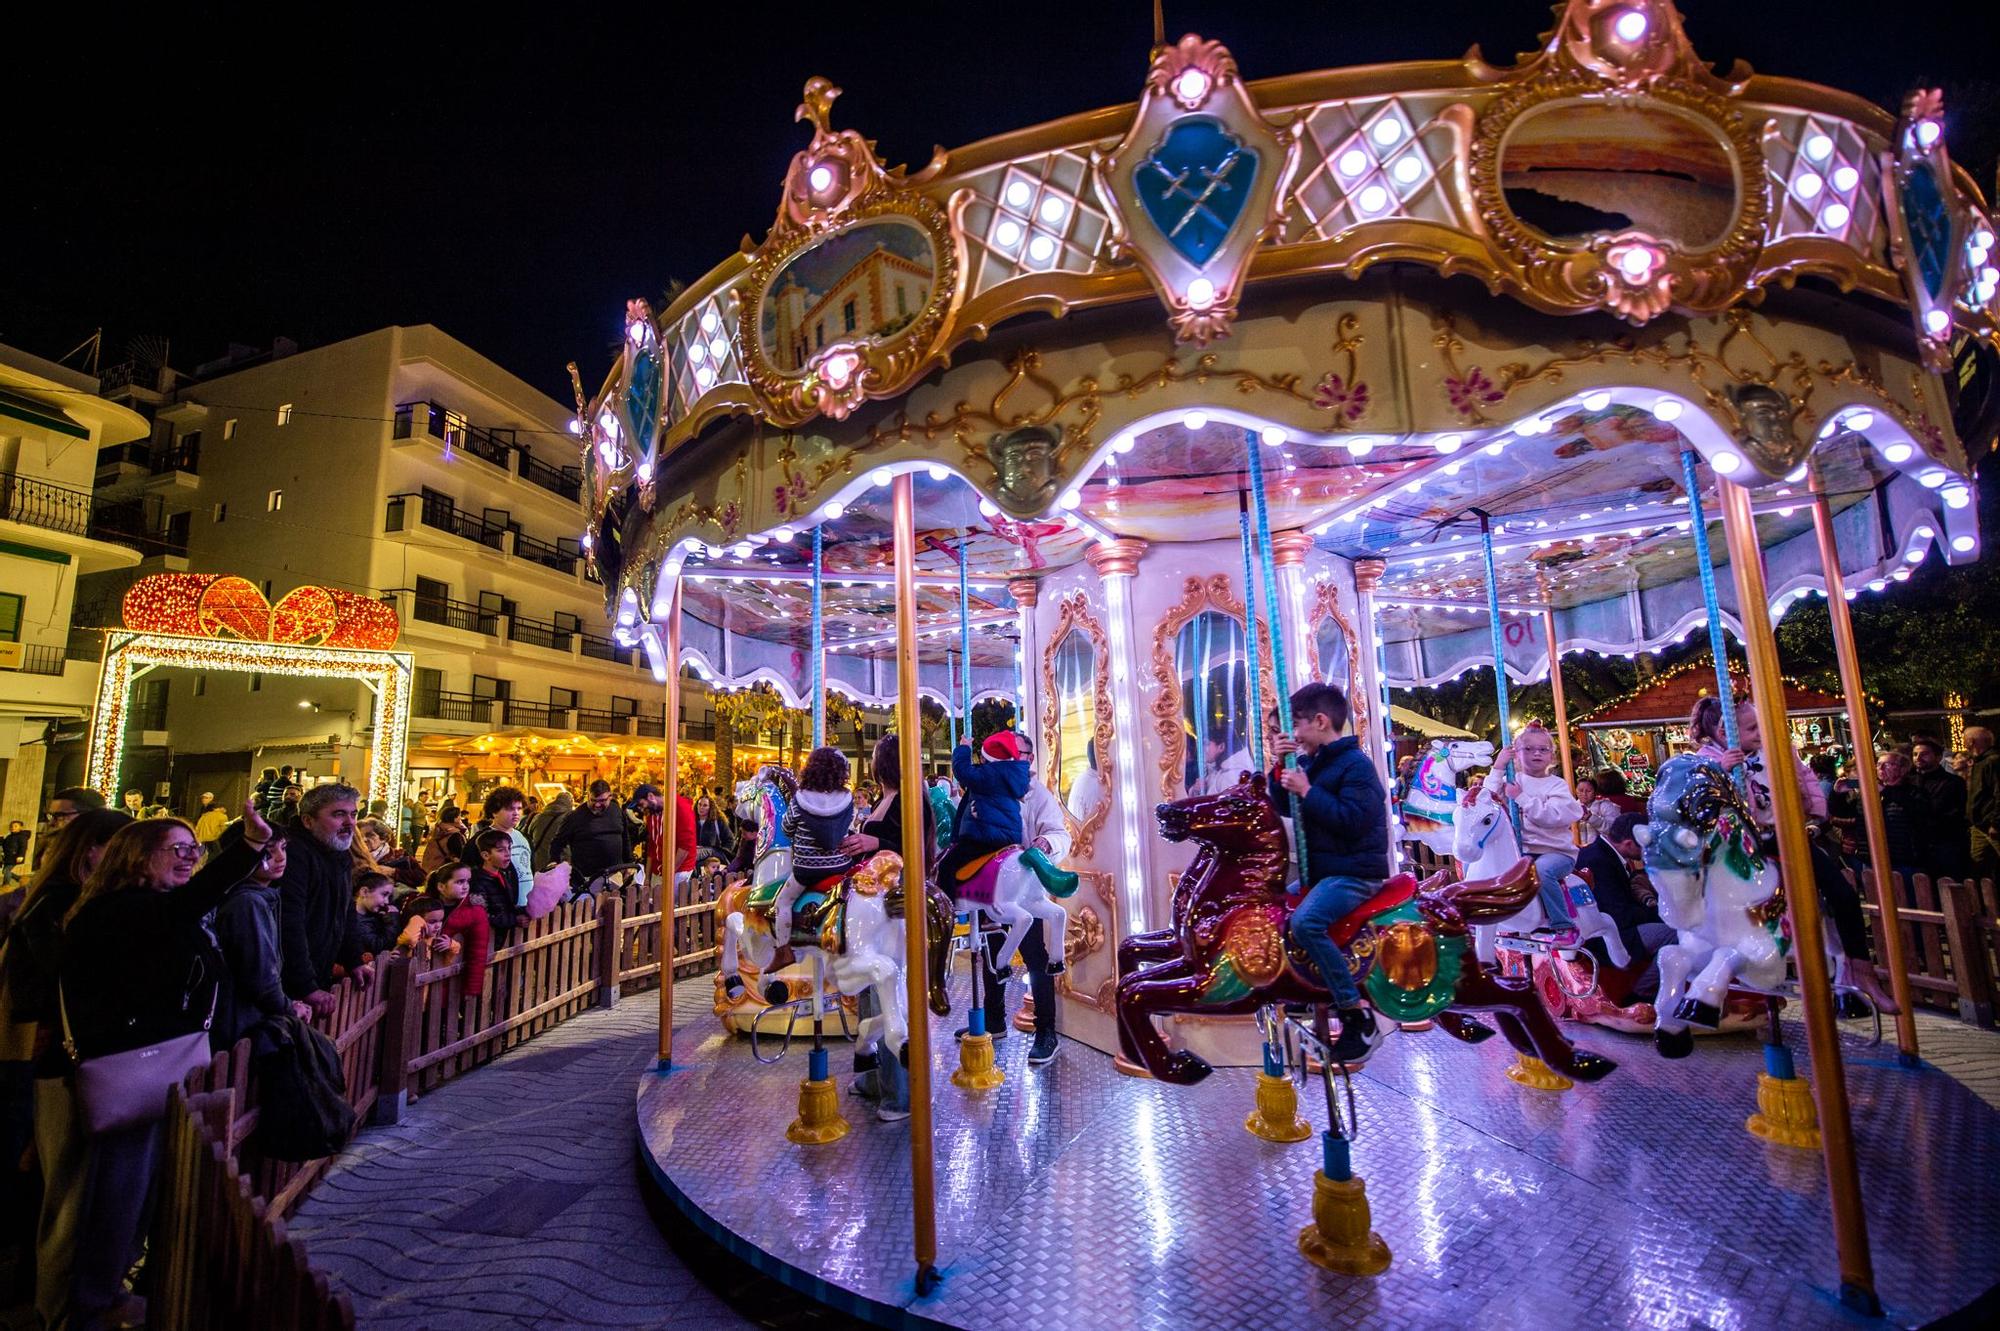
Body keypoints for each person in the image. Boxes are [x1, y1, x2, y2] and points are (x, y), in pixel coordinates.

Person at [42, 803, 269, 1330]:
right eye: (178, 849)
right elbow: (191, 905)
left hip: (155, 1064)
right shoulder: (120, 910)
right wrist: (249, 847)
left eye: (195, 849)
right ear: (136, 856)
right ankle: (91, 1304)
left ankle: (109, 1291)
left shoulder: (155, 908)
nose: (190, 858)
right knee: (113, 1190)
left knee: (136, 1188)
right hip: (126, 1068)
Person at [1692, 696, 1898, 1013]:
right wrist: (1722, 773)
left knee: (1842, 894)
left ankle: (1861, 970)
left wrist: (1815, 814)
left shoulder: (1776, 749)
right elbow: (1697, 799)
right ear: (1725, 732)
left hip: (1786, 835)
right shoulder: (1708, 761)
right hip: (1744, 844)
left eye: (1760, 725)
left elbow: (1805, 777)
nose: (1761, 732)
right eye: (1752, 728)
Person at [1270, 682, 1389, 1065]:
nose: (1293, 735)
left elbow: (1352, 821)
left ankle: (1356, 1015)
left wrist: (1308, 791)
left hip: (1355, 872)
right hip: (1326, 871)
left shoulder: (1356, 765)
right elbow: (1283, 806)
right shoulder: (1314, 763)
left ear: (1320, 721)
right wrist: (1280, 766)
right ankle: (1306, 986)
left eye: (1297, 725)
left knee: (1307, 922)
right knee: (1272, 909)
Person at [838, 734, 936, 1120]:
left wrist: (871, 840)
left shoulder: (912, 798)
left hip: (894, 901)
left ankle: (900, 1091)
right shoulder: (887, 796)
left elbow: (910, 843)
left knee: (886, 990)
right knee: (868, 986)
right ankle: (873, 1078)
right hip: (872, 899)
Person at [972, 731, 1071, 1065]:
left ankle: (1046, 1031)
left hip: (1023, 887)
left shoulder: (1037, 794)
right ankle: (994, 1020)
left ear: (1028, 758)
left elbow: (1058, 832)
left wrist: (1044, 843)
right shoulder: (989, 788)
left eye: (1018, 753)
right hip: (990, 883)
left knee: (1034, 957)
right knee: (990, 952)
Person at [212, 825, 314, 1051]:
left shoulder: (261, 898)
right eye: (268, 851)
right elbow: (260, 974)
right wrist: (287, 1007)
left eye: (283, 848)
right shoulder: (248, 903)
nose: (281, 857)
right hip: (239, 1023)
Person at [276, 782, 370, 1020]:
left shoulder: (337, 853)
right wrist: (305, 985)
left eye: (353, 814)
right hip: (285, 986)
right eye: (338, 814)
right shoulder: (293, 855)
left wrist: (354, 960)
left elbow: (345, 911)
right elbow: (289, 923)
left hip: (318, 972)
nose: (350, 822)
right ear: (308, 821)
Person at [1481, 724, 1585, 936]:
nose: (1536, 753)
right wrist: (1498, 767)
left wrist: (1521, 798)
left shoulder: (1556, 785)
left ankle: (1563, 925)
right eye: (1528, 749)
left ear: (1552, 756)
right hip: (1521, 851)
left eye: (1543, 749)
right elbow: (1485, 800)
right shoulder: (1512, 780)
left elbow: (1551, 817)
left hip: (1555, 852)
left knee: (1542, 871)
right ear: (1516, 754)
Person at [1573, 812, 1674, 1001]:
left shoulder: (1603, 853)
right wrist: (1659, 914)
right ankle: (1642, 992)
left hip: (1614, 925)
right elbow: (1618, 913)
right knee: (1674, 936)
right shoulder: (1598, 860)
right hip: (1608, 935)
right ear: (1628, 844)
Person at [771, 748, 857, 945]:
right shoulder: (847, 798)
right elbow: (848, 825)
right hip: (840, 866)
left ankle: (783, 948)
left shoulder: (801, 798)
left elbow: (786, 828)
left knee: (783, 902)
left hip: (807, 870)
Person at [459, 787, 534, 917]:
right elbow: (469, 875)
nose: (516, 813)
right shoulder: (480, 840)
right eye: (510, 809)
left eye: (519, 808)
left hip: (528, 906)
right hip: (500, 911)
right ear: (494, 812)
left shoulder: (524, 837)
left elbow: (531, 867)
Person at [549, 780, 636, 888]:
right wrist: (554, 862)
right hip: (586, 878)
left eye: (602, 800)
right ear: (588, 796)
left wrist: (630, 863)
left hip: (615, 874)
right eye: (593, 800)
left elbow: (625, 837)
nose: (597, 805)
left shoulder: (616, 810)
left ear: (610, 797)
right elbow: (557, 842)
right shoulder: (575, 816)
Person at [1910, 735, 1971, 880]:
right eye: (1915, 754)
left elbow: (1955, 812)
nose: (1918, 758)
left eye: (1924, 754)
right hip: (1919, 846)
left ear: (1938, 757)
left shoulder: (1952, 782)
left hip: (1945, 844)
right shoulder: (1910, 782)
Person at [1869, 750, 1932, 889]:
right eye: (1878, 764)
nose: (1881, 768)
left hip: (1907, 858)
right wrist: (1837, 795)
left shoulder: (1915, 792)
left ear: (1903, 769)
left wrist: (1887, 791)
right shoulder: (1874, 793)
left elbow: (1919, 816)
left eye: (1887, 764)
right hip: (1880, 857)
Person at [429, 865, 492, 997]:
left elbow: (478, 951)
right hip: (423, 971)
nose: (465, 886)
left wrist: (472, 988)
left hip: (452, 978)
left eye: (467, 881)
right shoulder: (425, 905)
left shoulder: (475, 912)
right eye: (459, 882)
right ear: (441, 886)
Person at [35, 789, 107, 874]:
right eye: (50, 816)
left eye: (60, 815)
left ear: (88, 815)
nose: (51, 822)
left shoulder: (105, 857)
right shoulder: (53, 844)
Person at [467, 829, 521, 937]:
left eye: (509, 848)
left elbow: (508, 905)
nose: (508, 854)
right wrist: (515, 920)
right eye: (501, 850)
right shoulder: (477, 881)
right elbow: (481, 915)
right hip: (487, 938)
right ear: (486, 855)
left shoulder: (505, 874)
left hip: (504, 937)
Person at [394, 893, 460, 968]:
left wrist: (451, 944)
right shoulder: (408, 939)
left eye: (440, 921)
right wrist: (417, 919)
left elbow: (448, 963)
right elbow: (410, 939)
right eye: (432, 922)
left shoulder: (436, 941)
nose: (438, 926)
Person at [1969, 727, 2000, 883]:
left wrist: (1996, 823)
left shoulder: (1992, 761)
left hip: (1990, 824)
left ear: (1971, 741)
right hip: (1980, 825)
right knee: (1979, 865)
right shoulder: (1980, 762)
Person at [351, 872, 401, 963]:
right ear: (364, 892)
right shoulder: (352, 921)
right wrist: (392, 920)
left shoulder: (377, 916)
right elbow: (379, 946)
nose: (386, 901)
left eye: (389, 896)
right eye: (384, 894)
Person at [361, 818, 424, 888]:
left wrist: (393, 872)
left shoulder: (399, 855)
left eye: (370, 835)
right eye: (360, 836)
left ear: (383, 838)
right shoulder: (355, 857)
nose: (364, 839)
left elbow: (422, 877)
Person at [526, 790, 573, 873]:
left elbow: (529, 835)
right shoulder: (569, 820)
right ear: (570, 803)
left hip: (538, 863)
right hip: (558, 864)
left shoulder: (538, 817)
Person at [420, 803, 468, 873]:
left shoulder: (439, 829)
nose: (461, 818)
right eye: (459, 815)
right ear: (454, 819)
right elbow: (460, 854)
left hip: (432, 868)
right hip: (445, 870)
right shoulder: (454, 834)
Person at [694, 795, 737, 865]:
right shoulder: (691, 821)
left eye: (705, 805)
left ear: (710, 807)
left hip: (713, 857)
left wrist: (721, 853)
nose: (701, 807)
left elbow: (730, 840)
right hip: (696, 860)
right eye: (699, 804)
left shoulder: (717, 822)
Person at [192, 792, 229, 859]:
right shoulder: (221, 816)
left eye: (206, 798)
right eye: (203, 797)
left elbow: (198, 826)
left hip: (204, 839)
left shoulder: (205, 814)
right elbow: (224, 829)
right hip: (211, 839)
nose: (203, 799)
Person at [0, 822, 26, 891]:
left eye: (15, 826)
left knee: (6, 870)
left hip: (15, 856)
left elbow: (23, 847)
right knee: (5, 871)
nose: (13, 827)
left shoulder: (22, 837)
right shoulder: (9, 836)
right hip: (8, 857)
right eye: (11, 826)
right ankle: (20, 879)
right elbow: (4, 844)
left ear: (21, 827)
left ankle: (6, 885)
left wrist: (21, 855)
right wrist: (1, 839)